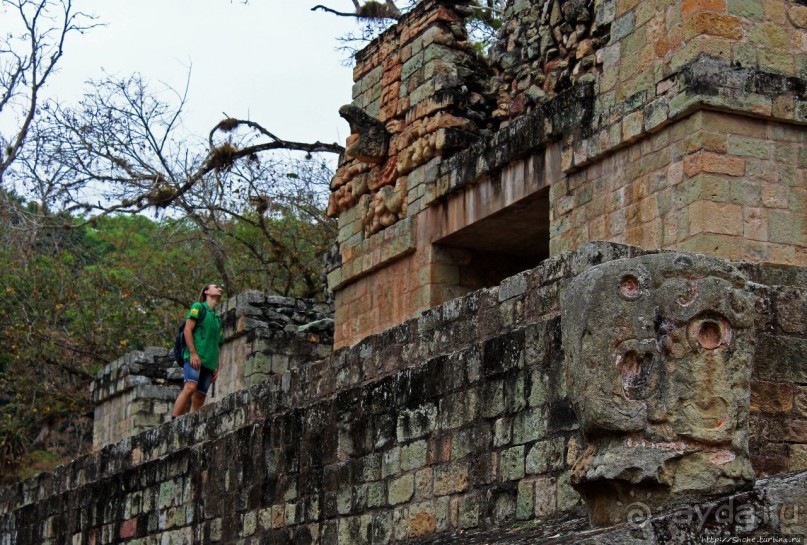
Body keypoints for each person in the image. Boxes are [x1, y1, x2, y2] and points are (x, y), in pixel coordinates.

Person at [172, 283, 224, 416]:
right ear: (207, 292)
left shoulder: (217, 319)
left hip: (209, 363)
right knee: (190, 388)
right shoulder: (198, 307)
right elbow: (187, 330)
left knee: (200, 397)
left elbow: (217, 344)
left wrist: (217, 366)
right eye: (216, 286)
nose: (219, 288)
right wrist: (193, 353)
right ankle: (172, 422)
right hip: (195, 357)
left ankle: (190, 426)